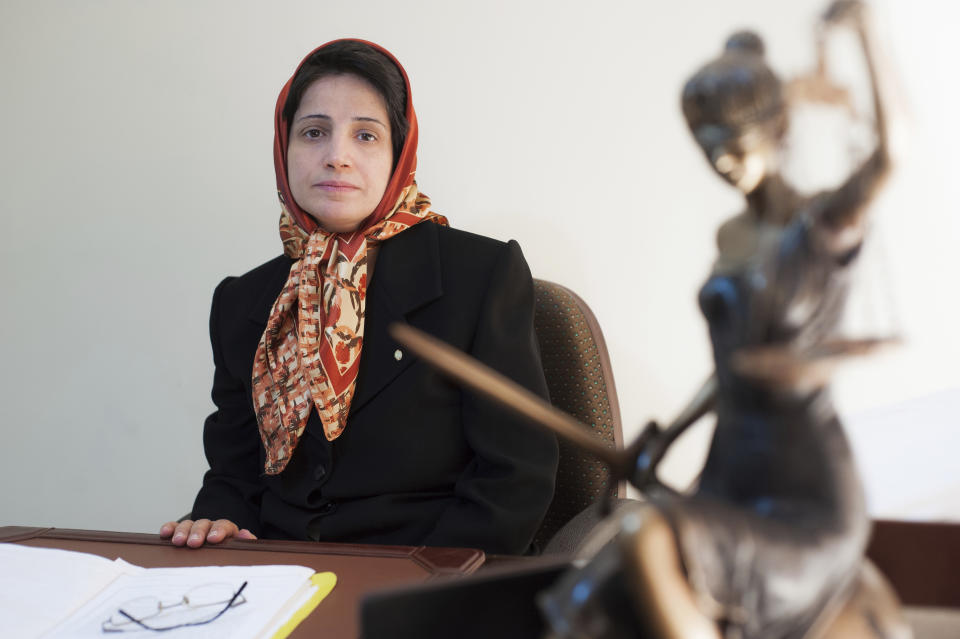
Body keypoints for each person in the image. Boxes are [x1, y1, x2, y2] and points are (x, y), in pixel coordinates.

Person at [159, 39, 558, 555]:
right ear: (284, 149)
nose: (337, 157)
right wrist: (219, 522)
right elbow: (235, 475)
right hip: (283, 579)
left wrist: (423, 586)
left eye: (365, 135)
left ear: (399, 153)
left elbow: (516, 476)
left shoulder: (480, 275)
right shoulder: (243, 302)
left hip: (433, 582)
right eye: (313, 132)